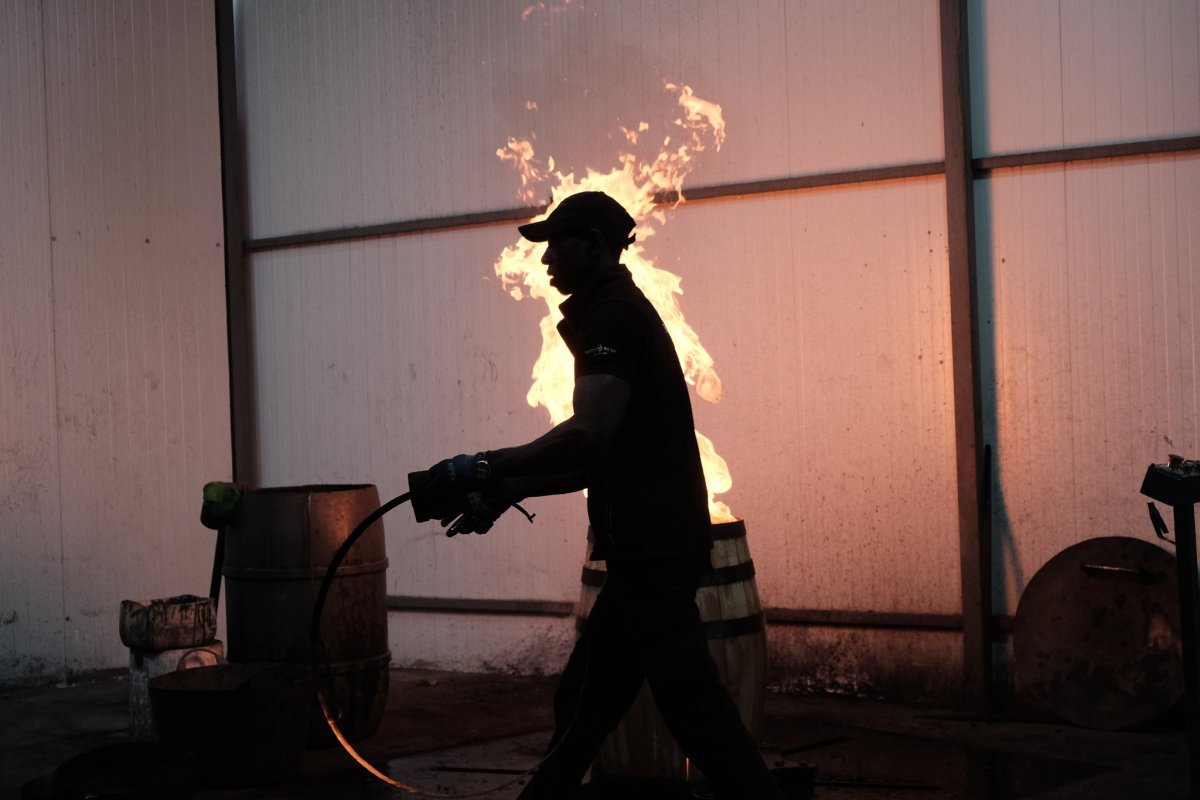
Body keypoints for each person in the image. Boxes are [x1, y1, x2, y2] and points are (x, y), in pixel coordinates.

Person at [410, 191, 786, 799]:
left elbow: (588, 435)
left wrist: (478, 467)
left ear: (592, 244)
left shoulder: (612, 317)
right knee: (587, 700)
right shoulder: (610, 311)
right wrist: (505, 489)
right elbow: (600, 457)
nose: (545, 259)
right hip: (649, 547)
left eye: (556, 244)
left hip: (653, 549)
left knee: (692, 709)